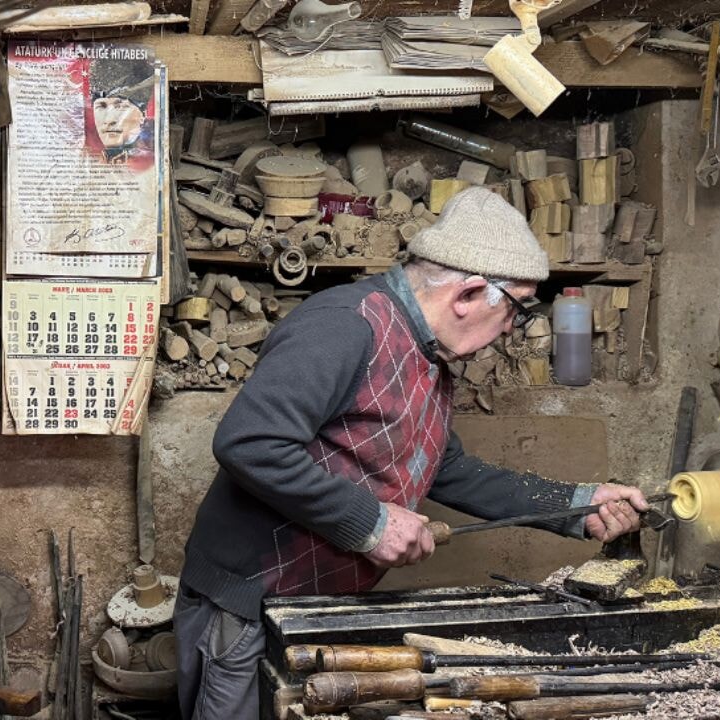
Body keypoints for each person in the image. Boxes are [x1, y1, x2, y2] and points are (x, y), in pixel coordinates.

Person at [174, 187, 649, 720]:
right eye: (517, 307)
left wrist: (579, 504)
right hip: (243, 608)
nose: (514, 328)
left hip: (310, 608)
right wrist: (371, 523)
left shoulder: (429, 355)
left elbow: (444, 468)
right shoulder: (346, 325)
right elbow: (248, 442)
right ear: (468, 294)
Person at [88, 63, 156, 164]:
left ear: (143, 115)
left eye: (121, 107)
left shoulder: (148, 165)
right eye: (101, 106)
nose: (109, 120)